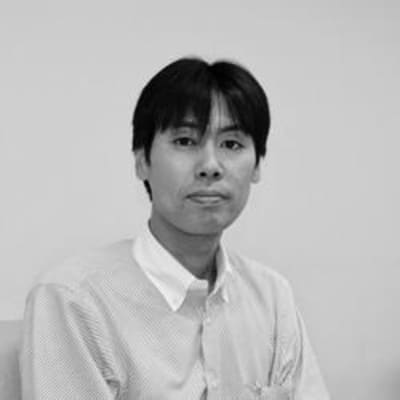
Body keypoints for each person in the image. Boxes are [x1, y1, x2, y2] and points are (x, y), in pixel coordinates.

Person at [19, 57, 330, 399]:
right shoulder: (74, 302)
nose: (210, 166)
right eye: (185, 141)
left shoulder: (271, 298)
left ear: (257, 165)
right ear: (142, 160)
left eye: (232, 144)